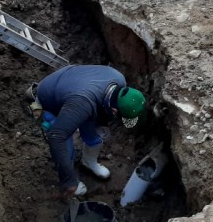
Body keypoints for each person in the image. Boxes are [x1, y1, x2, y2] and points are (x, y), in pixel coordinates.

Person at [27, 65, 146, 198]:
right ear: (114, 111)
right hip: (44, 103)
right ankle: (71, 181)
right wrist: (68, 180)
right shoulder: (83, 103)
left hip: (72, 89)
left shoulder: (119, 79)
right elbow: (56, 136)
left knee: (94, 134)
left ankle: (89, 162)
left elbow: (96, 105)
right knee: (64, 143)